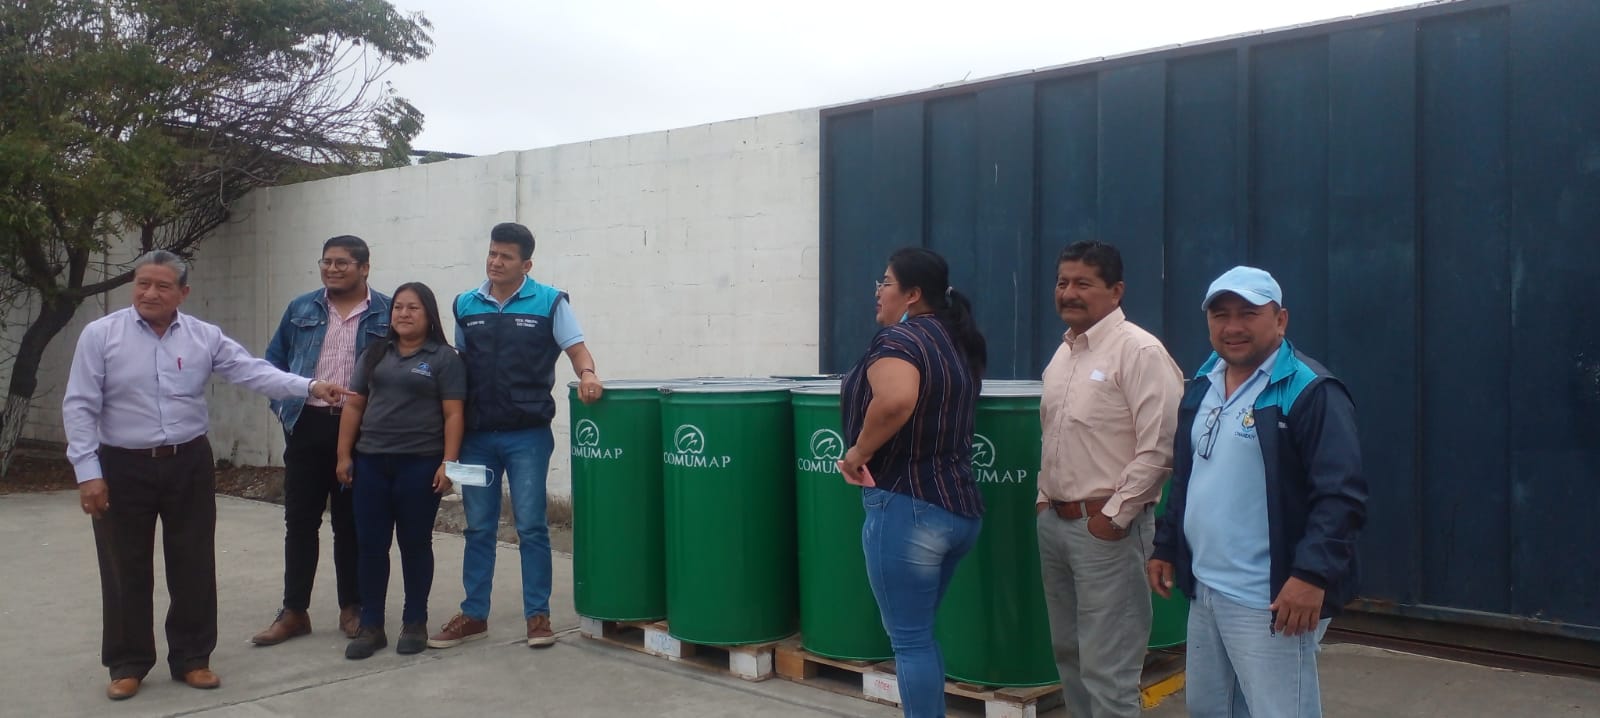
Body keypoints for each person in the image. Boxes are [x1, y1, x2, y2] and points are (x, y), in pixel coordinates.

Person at [62, 250, 353, 701]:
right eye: (142, 284)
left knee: (193, 563)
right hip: (122, 464)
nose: (150, 293)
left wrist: (310, 386)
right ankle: (127, 663)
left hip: (188, 462)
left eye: (162, 286)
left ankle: (193, 658)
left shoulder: (203, 336)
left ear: (183, 293)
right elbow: (80, 404)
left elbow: (252, 372)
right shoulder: (101, 335)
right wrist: (88, 472)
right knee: (124, 567)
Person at [1148, 266, 1366, 718]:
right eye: (1221, 315)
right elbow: (1189, 473)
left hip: (1270, 599)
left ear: (1280, 320)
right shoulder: (1204, 384)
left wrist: (1311, 577)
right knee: (1211, 709)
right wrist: (1166, 543)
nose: (1233, 327)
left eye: (1248, 313)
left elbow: (1340, 496)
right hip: (1206, 590)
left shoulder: (1309, 390)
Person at [429, 222, 604, 650]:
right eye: (492, 253)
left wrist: (587, 373)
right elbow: (460, 363)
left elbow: (576, 348)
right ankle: (474, 614)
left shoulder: (550, 301)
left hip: (528, 437)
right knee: (478, 527)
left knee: (531, 526)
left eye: (505, 256)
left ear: (526, 264)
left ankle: (538, 616)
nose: (495, 262)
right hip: (476, 439)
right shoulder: (465, 303)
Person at [1035, 241, 1183, 718]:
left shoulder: (1139, 352)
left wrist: (1114, 517)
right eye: (1062, 282)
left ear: (1116, 291)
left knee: (1109, 670)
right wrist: (1044, 499)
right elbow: (1053, 435)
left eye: (1083, 283)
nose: (1068, 293)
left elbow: (1160, 446)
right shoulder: (1063, 355)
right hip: (1057, 526)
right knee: (1070, 655)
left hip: (1107, 532)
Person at [837, 247, 987, 718]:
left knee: (909, 641)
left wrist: (858, 453)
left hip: (909, 508)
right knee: (919, 636)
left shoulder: (900, 340)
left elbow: (897, 400)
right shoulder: (956, 340)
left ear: (913, 294)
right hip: (958, 507)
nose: (878, 292)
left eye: (885, 282)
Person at [252, 235, 392, 646]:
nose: (332, 269)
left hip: (361, 430)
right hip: (307, 425)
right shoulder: (301, 308)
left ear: (364, 268)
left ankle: (353, 607)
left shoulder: (387, 312)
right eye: (326, 262)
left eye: (342, 263)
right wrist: (285, 410)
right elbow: (273, 364)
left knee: (352, 523)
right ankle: (294, 611)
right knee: (300, 521)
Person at [335, 282, 465, 659]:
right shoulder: (375, 352)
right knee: (371, 545)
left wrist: (448, 462)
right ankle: (371, 625)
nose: (403, 314)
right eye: (398, 307)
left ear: (429, 315)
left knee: (414, 544)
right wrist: (343, 455)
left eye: (413, 308)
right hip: (371, 463)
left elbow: (454, 414)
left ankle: (415, 621)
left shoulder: (445, 358)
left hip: (419, 465)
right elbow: (354, 405)